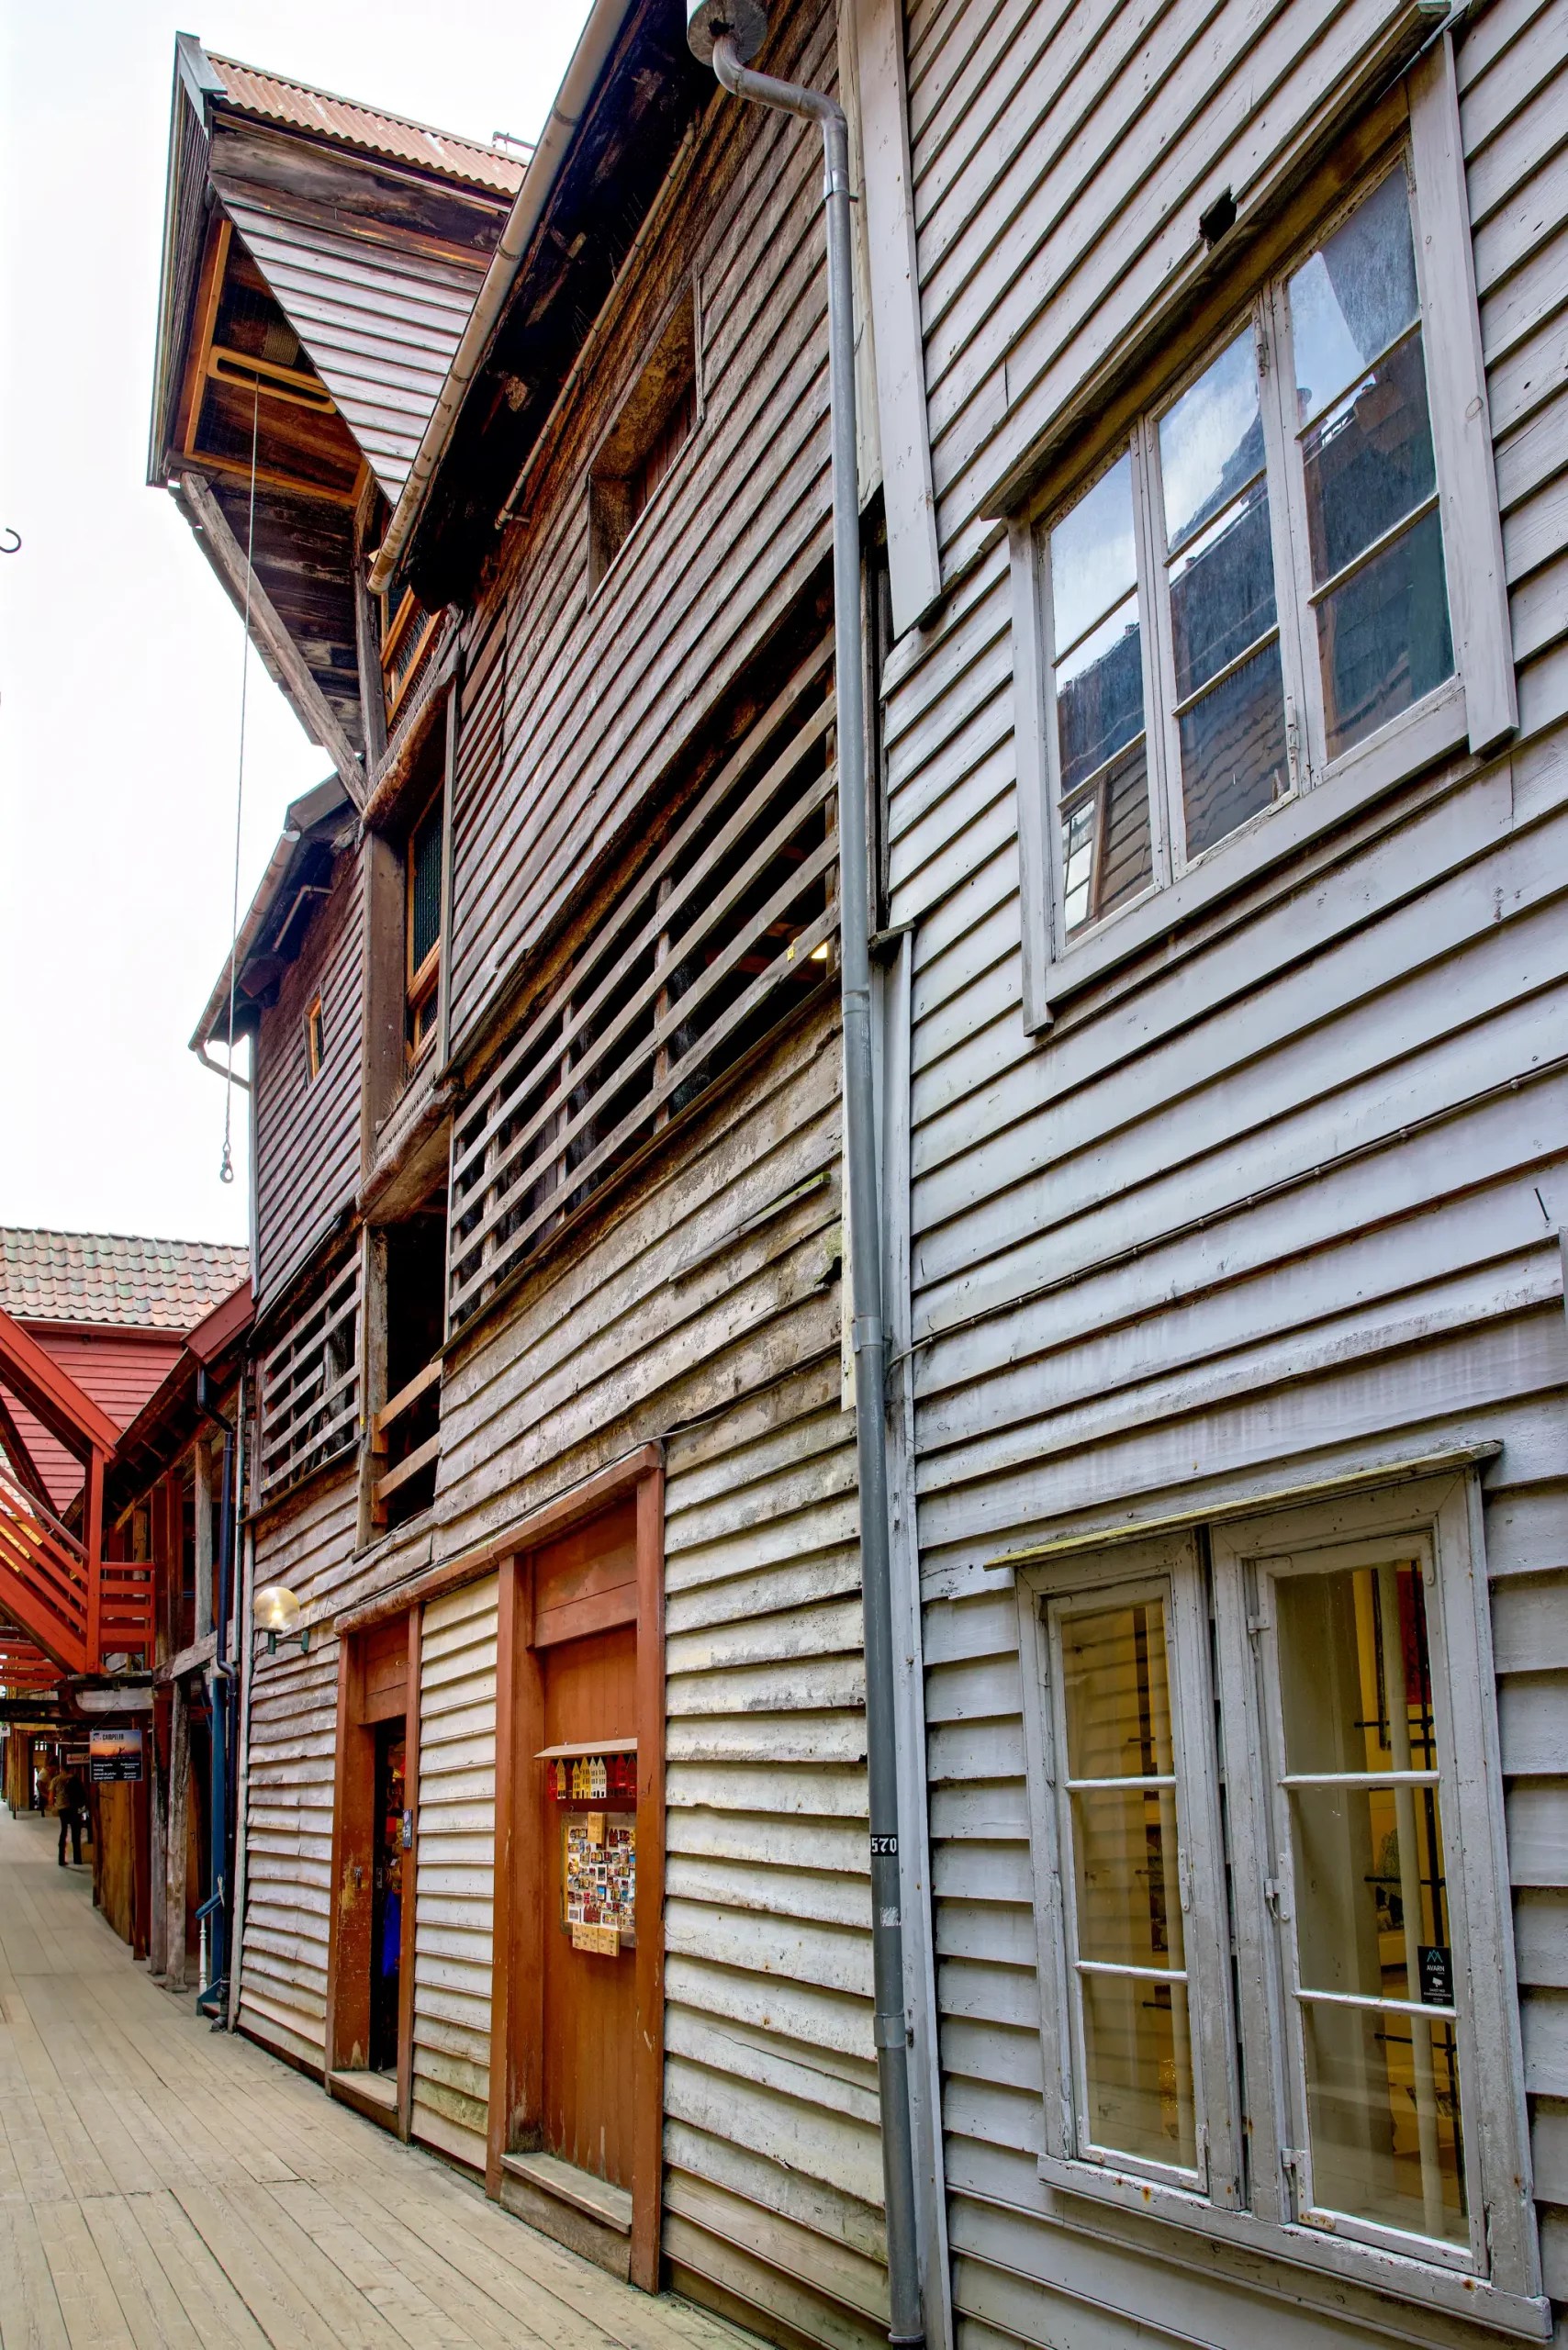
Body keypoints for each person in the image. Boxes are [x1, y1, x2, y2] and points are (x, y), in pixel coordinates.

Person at [49, 1760, 84, 1865]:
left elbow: (50, 1798)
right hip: (74, 1808)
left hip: (62, 1808)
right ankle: (77, 1859)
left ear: (61, 1768)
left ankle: (61, 1859)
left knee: (63, 1831)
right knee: (76, 1833)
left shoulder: (55, 1780)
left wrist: (54, 1806)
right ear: (71, 1769)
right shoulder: (75, 1779)